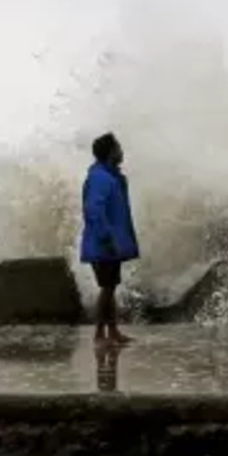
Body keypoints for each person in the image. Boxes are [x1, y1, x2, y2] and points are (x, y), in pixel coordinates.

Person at [80, 132, 139, 344]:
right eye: (119, 147)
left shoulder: (108, 176)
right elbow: (93, 209)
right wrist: (106, 238)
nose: (122, 151)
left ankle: (112, 332)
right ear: (111, 152)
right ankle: (99, 334)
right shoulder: (101, 178)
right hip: (103, 243)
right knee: (107, 288)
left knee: (110, 286)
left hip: (106, 242)